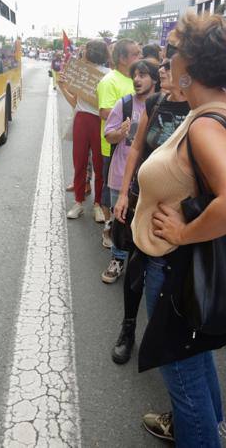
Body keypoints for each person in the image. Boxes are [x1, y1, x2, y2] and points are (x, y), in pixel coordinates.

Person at [132, 13, 226, 446]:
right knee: (194, 358)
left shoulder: (205, 125)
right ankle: (212, 429)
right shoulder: (214, 109)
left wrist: (184, 233)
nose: (167, 64)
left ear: (191, 68)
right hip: (176, 264)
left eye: (173, 56)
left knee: (181, 375)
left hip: (173, 266)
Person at [110, 46, 189, 365]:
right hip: (142, 198)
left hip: (178, 209)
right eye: (164, 66)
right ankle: (128, 329)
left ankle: (161, 336)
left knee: (172, 275)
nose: (164, 70)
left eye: (170, 66)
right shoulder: (156, 104)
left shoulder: (199, 109)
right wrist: (125, 194)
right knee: (137, 267)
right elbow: (137, 148)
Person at [101, 59, 158, 283]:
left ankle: (141, 262)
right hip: (120, 172)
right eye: (135, 75)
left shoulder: (161, 106)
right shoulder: (124, 104)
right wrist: (121, 132)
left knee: (143, 219)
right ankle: (117, 260)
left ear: (154, 79)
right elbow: (109, 135)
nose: (137, 79)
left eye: (143, 75)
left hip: (149, 176)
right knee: (120, 219)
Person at [59, 40, 109, 220]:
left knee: (99, 164)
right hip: (81, 119)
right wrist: (63, 87)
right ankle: (78, 202)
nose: (83, 52)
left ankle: (98, 205)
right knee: (79, 162)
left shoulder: (109, 75)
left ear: (91, 52)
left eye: (85, 49)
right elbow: (76, 103)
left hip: (100, 121)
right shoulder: (81, 73)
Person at [96, 39, 140, 225]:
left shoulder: (136, 78)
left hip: (133, 146)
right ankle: (108, 226)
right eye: (136, 54)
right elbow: (104, 111)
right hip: (113, 146)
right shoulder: (109, 81)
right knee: (110, 188)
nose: (140, 58)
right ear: (122, 58)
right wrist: (130, 116)